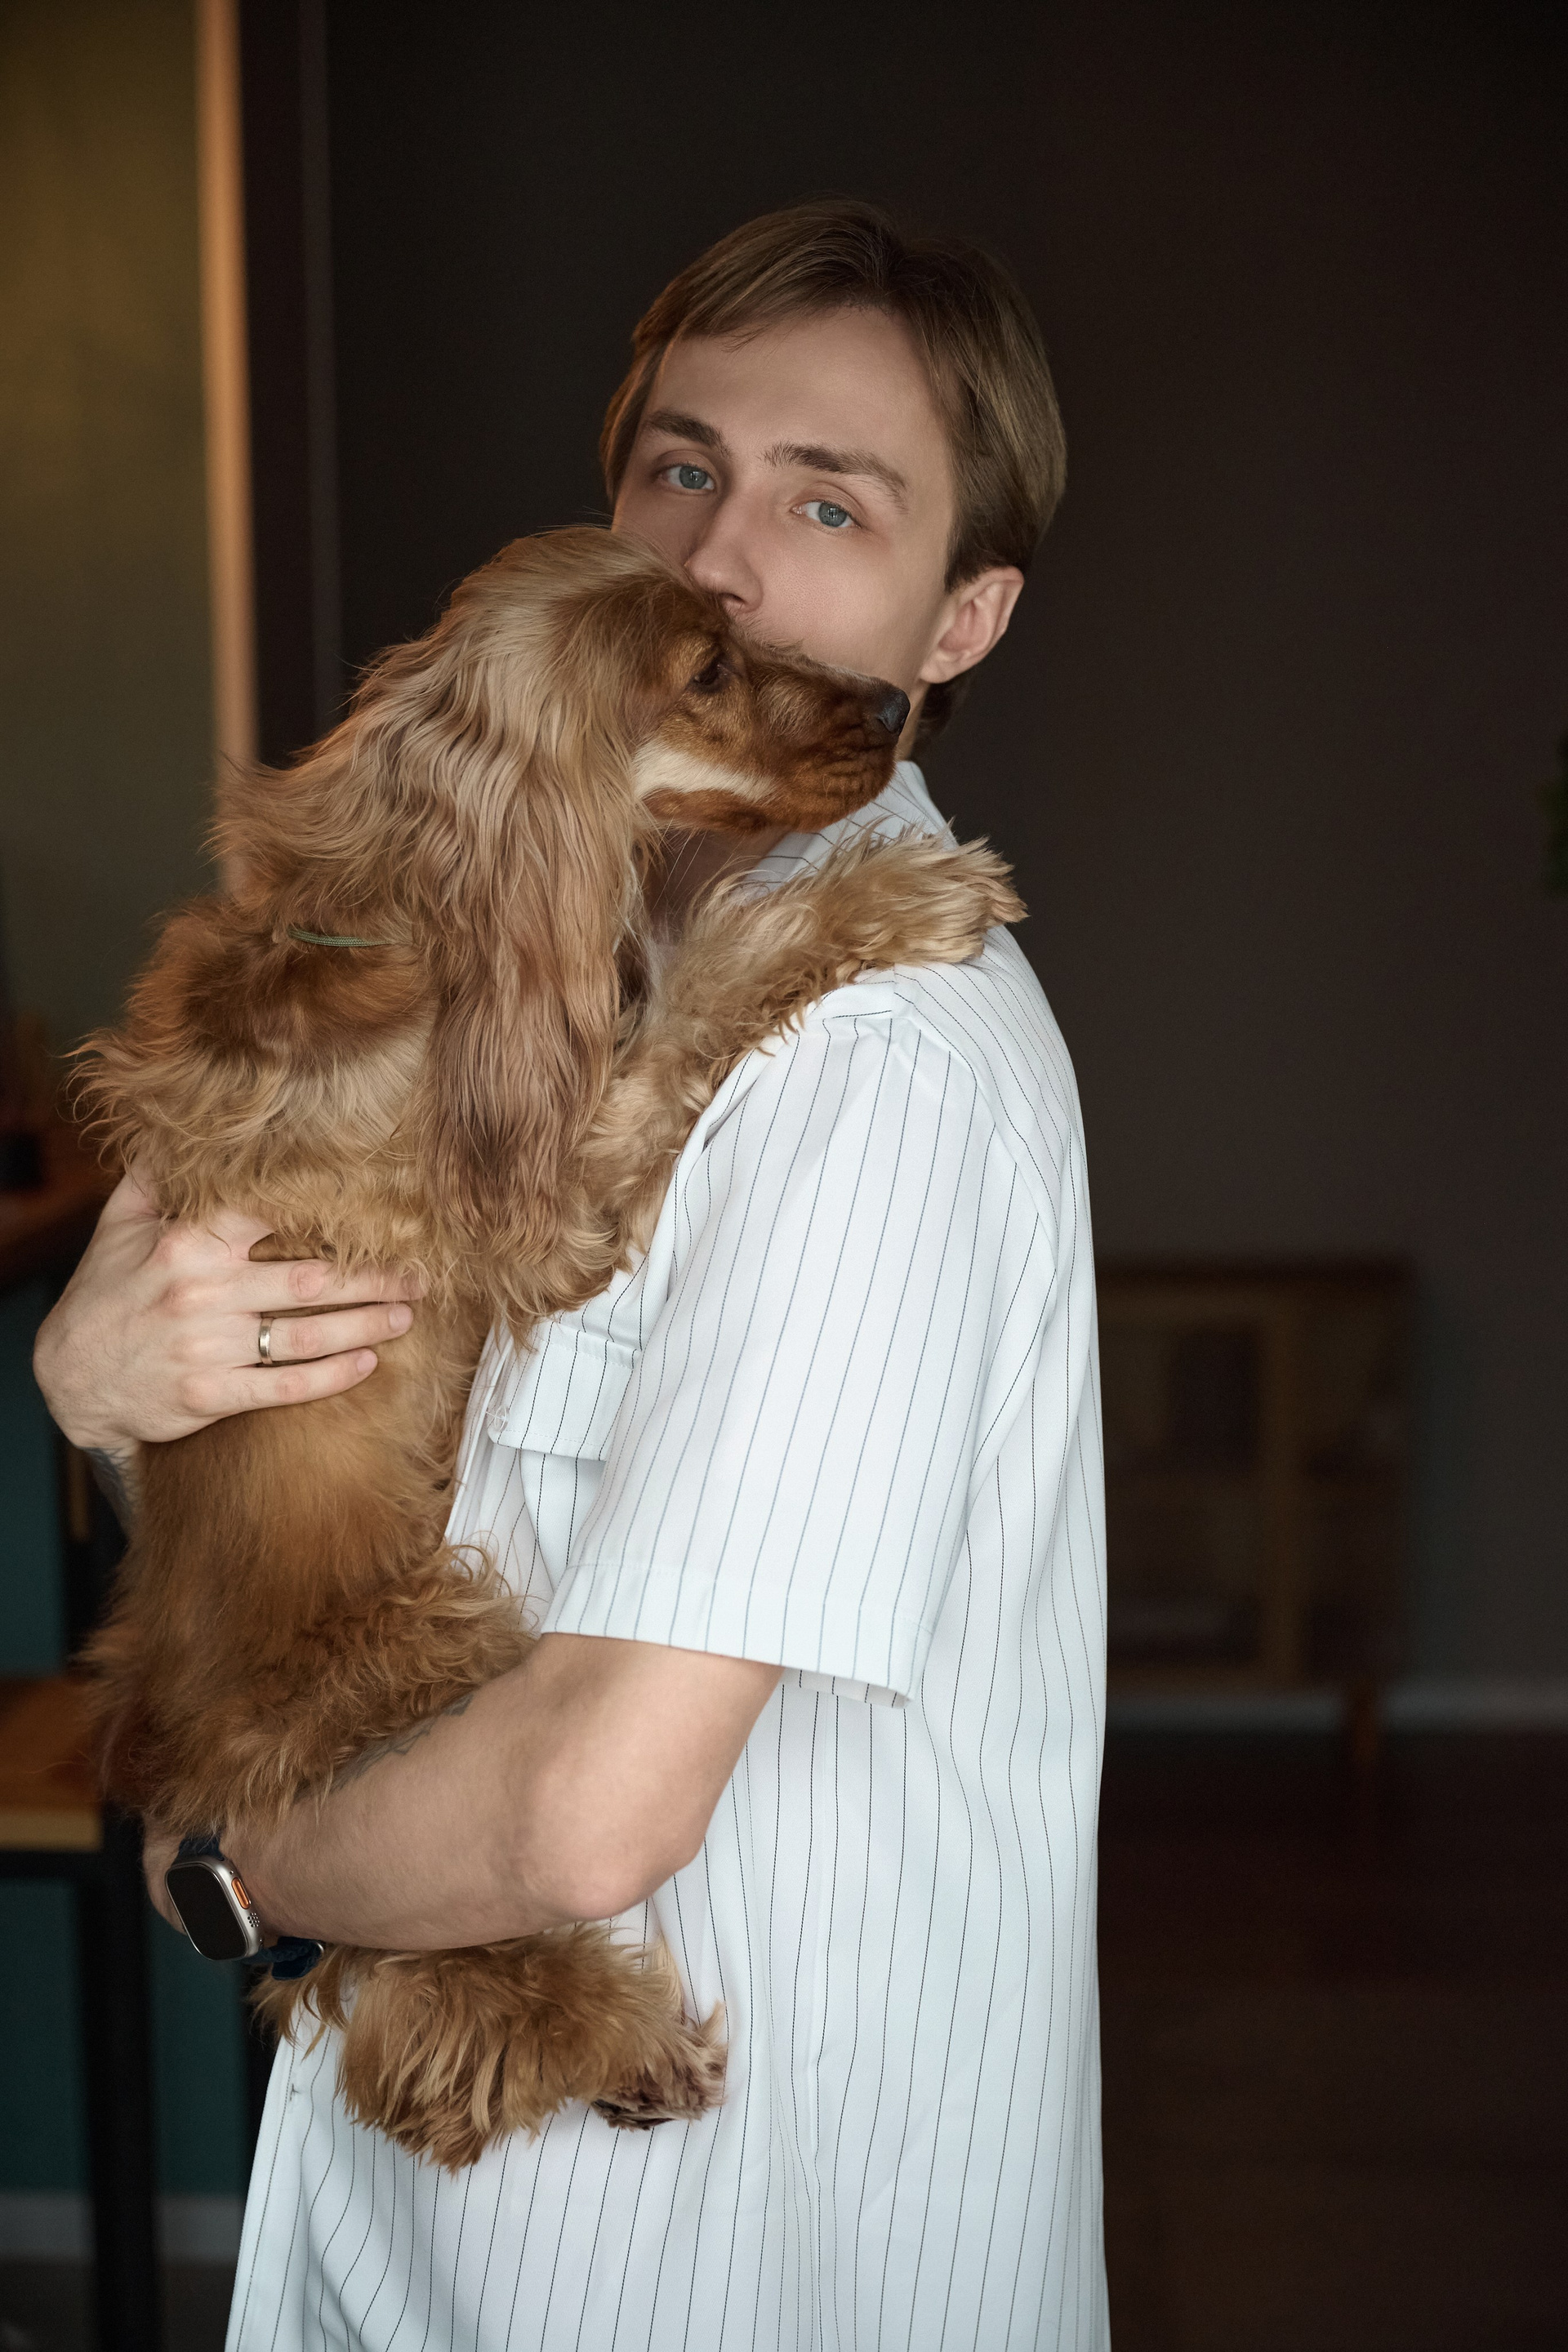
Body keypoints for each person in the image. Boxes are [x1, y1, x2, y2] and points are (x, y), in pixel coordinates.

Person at [35, 202, 1107, 2351]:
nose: (719, 561)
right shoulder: (540, 953)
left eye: (829, 503)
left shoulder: (867, 1057)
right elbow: (346, 1521)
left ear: (965, 614)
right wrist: (107, 1395)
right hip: (446, 2227)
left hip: (714, 2251)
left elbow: (594, 1807)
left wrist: (230, 1868)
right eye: (683, 468)